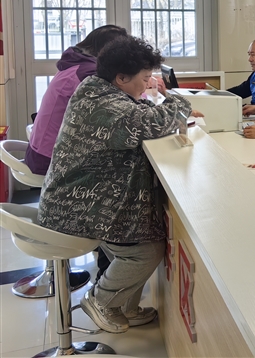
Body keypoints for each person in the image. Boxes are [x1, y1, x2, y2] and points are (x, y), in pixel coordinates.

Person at [38, 36, 192, 334]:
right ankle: (101, 300)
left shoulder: (98, 89)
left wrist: (159, 101)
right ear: (121, 78)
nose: (147, 85)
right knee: (145, 250)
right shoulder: (106, 106)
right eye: (144, 79)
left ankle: (124, 306)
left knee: (140, 236)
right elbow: (151, 122)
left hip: (81, 196)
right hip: (76, 205)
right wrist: (178, 101)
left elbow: (140, 114)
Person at [25, 25, 127, 175]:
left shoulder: (75, 64)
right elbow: (119, 107)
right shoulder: (88, 74)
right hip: (50, 160)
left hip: (40, 151)